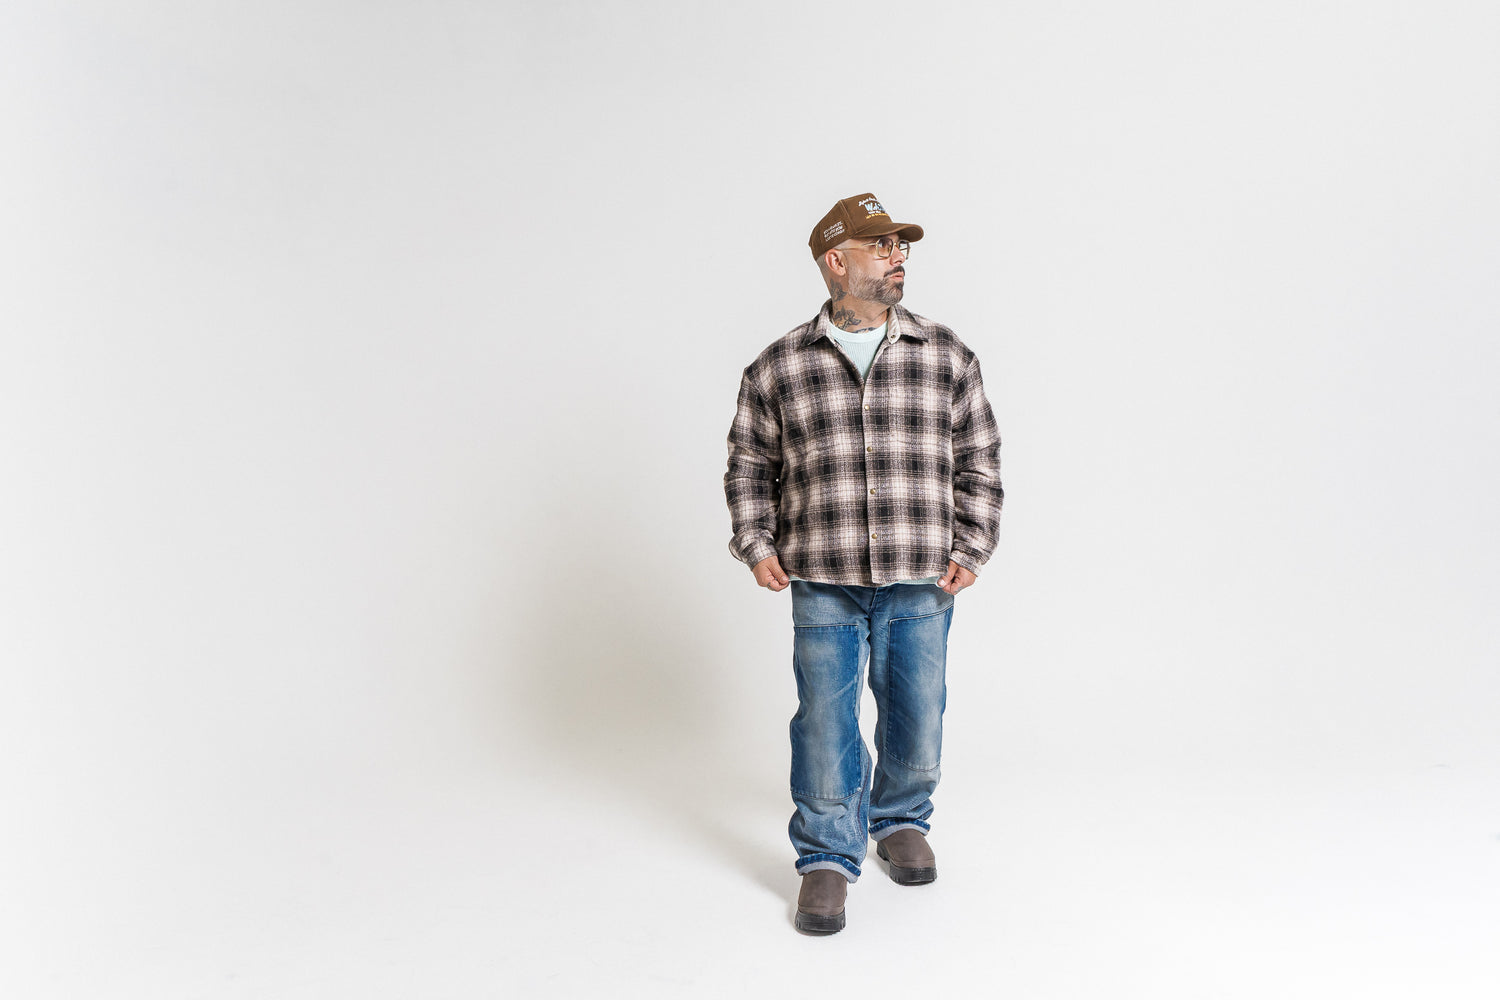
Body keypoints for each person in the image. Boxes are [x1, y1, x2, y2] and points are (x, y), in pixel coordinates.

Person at [723, 192, 1004, 934]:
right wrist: (756, 542)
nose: (898, 256)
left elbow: (978, 458)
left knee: (917, 712)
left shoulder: (945, 355)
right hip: (823, 576)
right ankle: (824, 857)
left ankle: (902, 819)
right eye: (881, 246)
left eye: (900, 246)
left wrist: (972, 544)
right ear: (835, 261)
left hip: (922, 574)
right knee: (824, 722)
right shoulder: (779, 366)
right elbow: (749, 464)